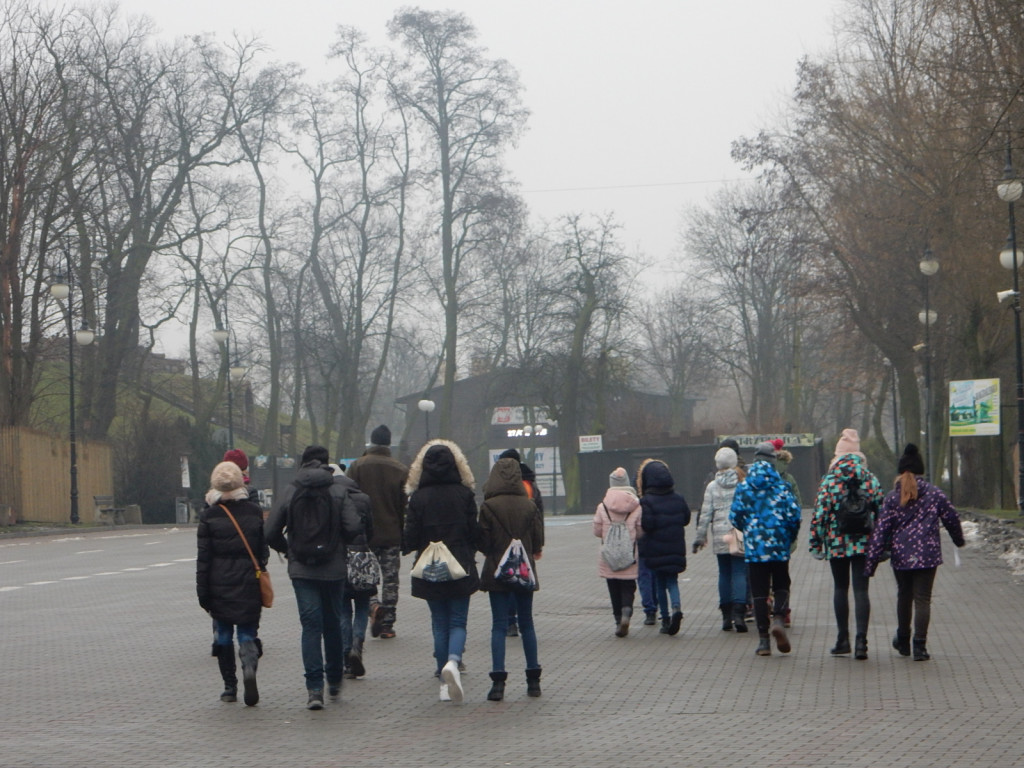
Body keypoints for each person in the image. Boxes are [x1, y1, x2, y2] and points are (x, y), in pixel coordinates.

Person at [265, 445, 365, 710]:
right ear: (326, 464)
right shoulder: (338, 490)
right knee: (332, 623)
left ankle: (314, 690)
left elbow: (270, 531)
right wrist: (337, 544)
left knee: (311, 626)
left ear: (302, 463)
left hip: (302, 570)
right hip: (333, 569)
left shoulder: (291, 490)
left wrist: (290, 551)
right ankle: (333, 680)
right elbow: (354, 527)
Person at [864, 444, 965, 661]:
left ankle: (902, 639)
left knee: (904, 595)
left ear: (900, 472)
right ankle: (920, 645)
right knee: (923, 599)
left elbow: (881, 531)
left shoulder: (892, 498)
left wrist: (871, 563)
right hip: (928, 554)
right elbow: (951, 517)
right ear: (921, 471)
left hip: (901, 556)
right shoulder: (935, 494)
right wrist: (958, 539)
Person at [402, 439, 480, 704]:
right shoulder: (464, 495)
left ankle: (440, 669)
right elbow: (473, 531)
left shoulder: (418, 497)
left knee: (438, 622)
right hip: (460, 563)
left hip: (430, 566)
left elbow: (410, 536)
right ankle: (454, 661)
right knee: (458, 621)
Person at [197, 461, 269, 706]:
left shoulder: (209, 516)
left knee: (224, 635)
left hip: (218, 582)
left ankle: (230, 687)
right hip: (248, 579)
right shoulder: (253, 512)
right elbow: (262, 550)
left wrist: (203, 592)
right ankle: (249, 664)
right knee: (248, 631)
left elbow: (203, 558)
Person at [810, 429, 884, 659]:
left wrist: (816, 542)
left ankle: (843, 639)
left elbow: (820, 514)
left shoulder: (830, 481)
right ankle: (862, 641)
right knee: (862, 590)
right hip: (863, 542)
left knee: (840, 588)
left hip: (837, 542)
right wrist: (882, 542)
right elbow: (882, 511)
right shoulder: (870, 479)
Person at [477, 457, 545, 700]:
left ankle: (498, 682)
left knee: (498, 625)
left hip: (497, 571)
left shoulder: (488, 507)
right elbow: (538, 542)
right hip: (524, 570)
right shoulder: (529, 505)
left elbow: (483, 543)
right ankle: (533, 679)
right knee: (527, 623)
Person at [730, 441, 802, 656]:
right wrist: (790, 536)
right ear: (772, 461)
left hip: (755, 547)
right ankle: (779, 619)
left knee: (759, 593)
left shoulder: (744, 486)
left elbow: (735, 515)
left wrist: (749, 529)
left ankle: (763, 641)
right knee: (782, 584)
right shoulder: (782, 485)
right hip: (779, 544)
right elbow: (794, 515)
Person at [347, 425, 408, 640]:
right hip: (391, 533)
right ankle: (388, 624)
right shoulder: (400, 469)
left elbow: (348, 500)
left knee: (366, 577)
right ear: (389, 443)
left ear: (371, 442)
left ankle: (373, 606)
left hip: (364, 536)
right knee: (391, 580)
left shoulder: (357, 467)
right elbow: (404, 506)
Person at [692, 446, 747, 633]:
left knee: (724, 573)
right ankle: (740, 614)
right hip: (738, 532)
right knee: (739, 572)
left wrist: (699, 538)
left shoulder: (712, 486)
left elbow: (705, 515)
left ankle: (726, 616)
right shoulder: (742, 483)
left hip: (719, 535)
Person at [330, 464, 376, 679]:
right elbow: (371, 531)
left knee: (343, 610)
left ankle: (347, 656)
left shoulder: (330, 498)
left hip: (339, 560)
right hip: (361, 559)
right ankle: (358, 643)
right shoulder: (364, 498)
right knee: (363, 604)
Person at [636, 458, 691, 636]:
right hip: (675, 546)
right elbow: (686, 519)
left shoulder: (647, 501)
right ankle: (677, 608)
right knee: (673, 581)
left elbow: (647, 525)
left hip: (655, 549)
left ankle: (665, 619)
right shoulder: (678, 498)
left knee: (660, 583)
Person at [497, 448, 543, 638]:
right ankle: (524, 622)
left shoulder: (497, 484)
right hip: (525, 541)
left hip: (503, 540)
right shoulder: (530, 485)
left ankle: (510, 622)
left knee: (506, 582)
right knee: (522, 581)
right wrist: (538, 544)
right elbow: (538, 516)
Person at [593, 467, 643, 637]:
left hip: (609, 554)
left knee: (613, 586)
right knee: (628, 586)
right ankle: (627, 610)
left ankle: (617, 619)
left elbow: (597, 531)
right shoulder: (636, 506)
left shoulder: (603, 506)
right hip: (629, 553)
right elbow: (640, 530)